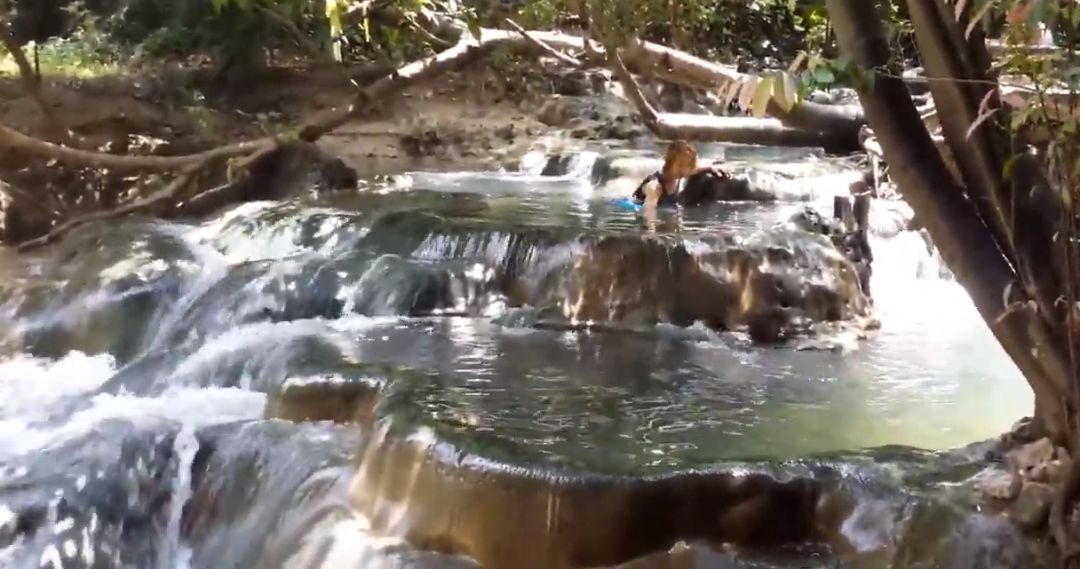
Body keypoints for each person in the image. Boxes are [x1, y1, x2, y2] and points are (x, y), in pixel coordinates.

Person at [631, 140, 700, 211]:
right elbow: (649, 216)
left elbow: (696, 169)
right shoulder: (654, 186)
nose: (684, 170)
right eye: (680, 165)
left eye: (688, 166)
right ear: (669, 162)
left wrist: (709, 168)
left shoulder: (679, 177)